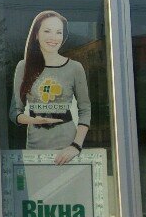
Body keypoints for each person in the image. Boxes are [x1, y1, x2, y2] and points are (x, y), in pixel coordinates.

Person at [9, 10, 91, 163]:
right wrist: (35, 121)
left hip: (68, 150)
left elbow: (85, 109)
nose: (54, 37)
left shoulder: (75, 68)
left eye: (58, 32)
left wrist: (76, 146)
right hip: (34, 149)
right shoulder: (23, 67)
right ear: (36, 34)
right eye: (47, 31)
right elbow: (15, 112)